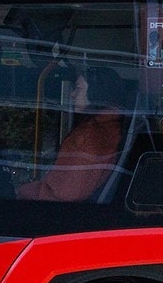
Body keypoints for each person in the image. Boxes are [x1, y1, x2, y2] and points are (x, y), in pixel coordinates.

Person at [17, 67, 130, 202]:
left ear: (96, 93)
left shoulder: (90, 136)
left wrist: (24, 192)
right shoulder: (110, 126)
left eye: (78, 88)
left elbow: (65, 193)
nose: (72, 94)